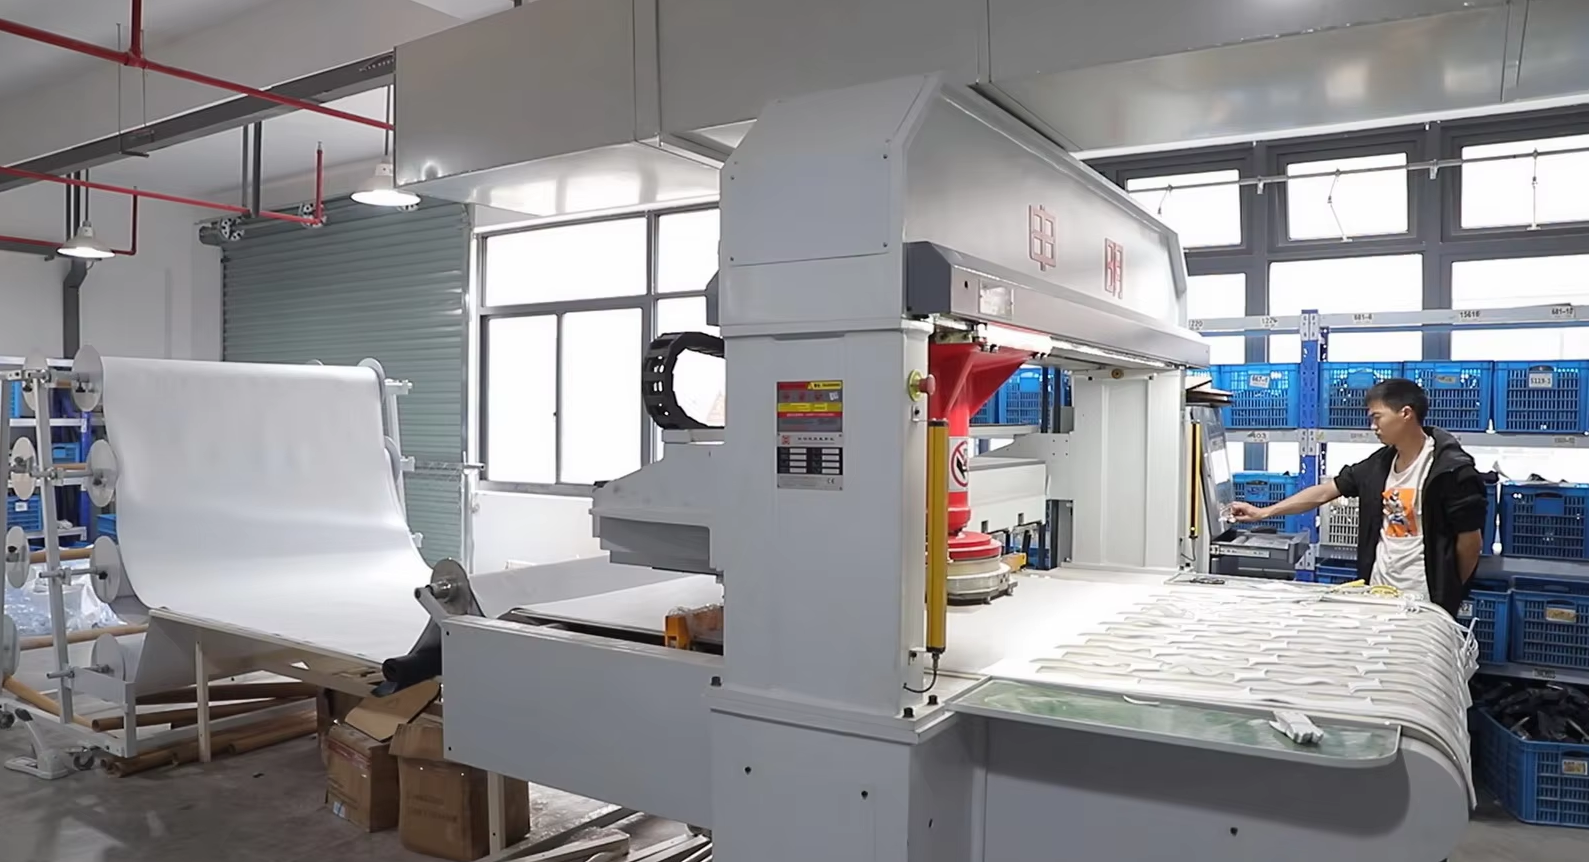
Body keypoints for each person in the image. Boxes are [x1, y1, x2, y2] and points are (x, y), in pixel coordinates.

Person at [1229, 378, 1489, 616]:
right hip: (1379, 591)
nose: (1373, 426)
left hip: (1424, 600)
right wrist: (1263, 512)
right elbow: (1326, 491)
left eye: (1377, 417)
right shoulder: (1380, 464)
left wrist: (1448, 591)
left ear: (1406, 413)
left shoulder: (1450, 470)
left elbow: (1470, 543)